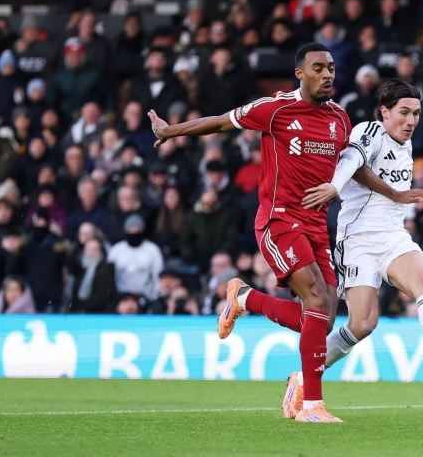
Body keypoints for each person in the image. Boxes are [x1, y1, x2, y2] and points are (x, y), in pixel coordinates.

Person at [148, 43, 393, 423]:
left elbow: (352, 166)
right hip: (279, 220)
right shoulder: (275, 109)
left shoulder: (339, 118)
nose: (327, 74)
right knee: (316, 300)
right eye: (318, 68)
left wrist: (394, 193)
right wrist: (171, 131)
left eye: (330, 68)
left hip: (316, 226)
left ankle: (244, 297)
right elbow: (220, 122)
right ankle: (311, 405)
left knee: (322, 319)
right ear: (300, 73)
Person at [298, 79, 423, 408]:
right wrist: (334, 186)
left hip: (393, 235)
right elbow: (351, 161)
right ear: (385, 112)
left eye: (416, 113)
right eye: (404, 112)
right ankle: (304, 380)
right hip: (358, 241)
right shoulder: (370, 131)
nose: (411, 120)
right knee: (362, 324)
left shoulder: (405, 144)